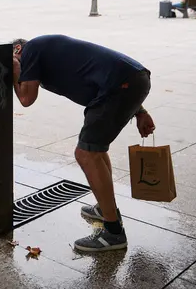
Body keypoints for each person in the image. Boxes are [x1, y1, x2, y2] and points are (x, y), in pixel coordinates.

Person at [12, 35, 155, 252]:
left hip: (120, 86)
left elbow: (26, 99)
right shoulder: (43, 49)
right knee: (96, 150)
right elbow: (105, 69)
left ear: (18, 49)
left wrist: (14, 72)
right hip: (133, 79)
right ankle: (106, 209)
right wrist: (140, 111)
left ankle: (113, 233)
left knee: (86, 153)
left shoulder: (29, 51)